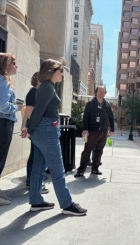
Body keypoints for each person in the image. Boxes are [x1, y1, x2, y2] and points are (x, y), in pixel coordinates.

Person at [20, 59, 87, 215]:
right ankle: (67, 205)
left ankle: (36, 201)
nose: (62, 73)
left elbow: (38, 112)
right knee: (58, 169)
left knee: (39, 166)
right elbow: (38, 112)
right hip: (46, 131)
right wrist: (29, 129)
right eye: (60, 70)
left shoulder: (46, 87)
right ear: (52, 71)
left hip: (42, 131)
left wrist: (29, 129)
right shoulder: (47, 88)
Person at [74, 85, 114, 177]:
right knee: (87, 151)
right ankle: (81, 170)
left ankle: (95, 169)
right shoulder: (90, 104)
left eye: (103, 91)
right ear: (96, 92)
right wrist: (85, 129)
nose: (102, 92)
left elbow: (111, 118)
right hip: (92, 131)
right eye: (100, 91)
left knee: (99, 151)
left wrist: (112, 129)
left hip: (103, 132)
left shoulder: (107, 105)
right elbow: (85, 118)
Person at [0, 53, 23, 206]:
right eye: (13, 63)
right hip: (3, 123)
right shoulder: (3, 82)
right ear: (5, 64)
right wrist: (17, 107)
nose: (16, 66)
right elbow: (2, 105)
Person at [24, 72, 48, 194]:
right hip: (37, 130)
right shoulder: (33, 93)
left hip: (38, 129)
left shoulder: (37, 92)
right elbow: (29, 113)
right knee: (35, 157)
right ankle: (32, 183)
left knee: (36, 156)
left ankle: (33, 183)